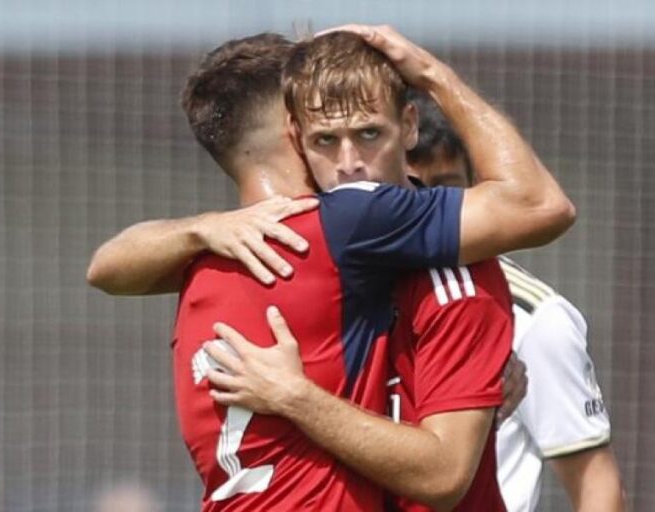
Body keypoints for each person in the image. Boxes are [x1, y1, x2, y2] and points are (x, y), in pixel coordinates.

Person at [86, 26, 574, 512]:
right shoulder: (348, 222)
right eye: (325, 127)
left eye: (365, 131)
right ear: (293, 129)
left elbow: (104, 268)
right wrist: (429, 73)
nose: (349, 161)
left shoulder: (197, 267)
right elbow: (540, 207)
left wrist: (459, 387)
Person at [406, 89, 626, 511]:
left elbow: (595, 483)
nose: (427, 209)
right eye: (412, 188)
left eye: (447, 190)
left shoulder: (533, 319)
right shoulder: (355, 292)